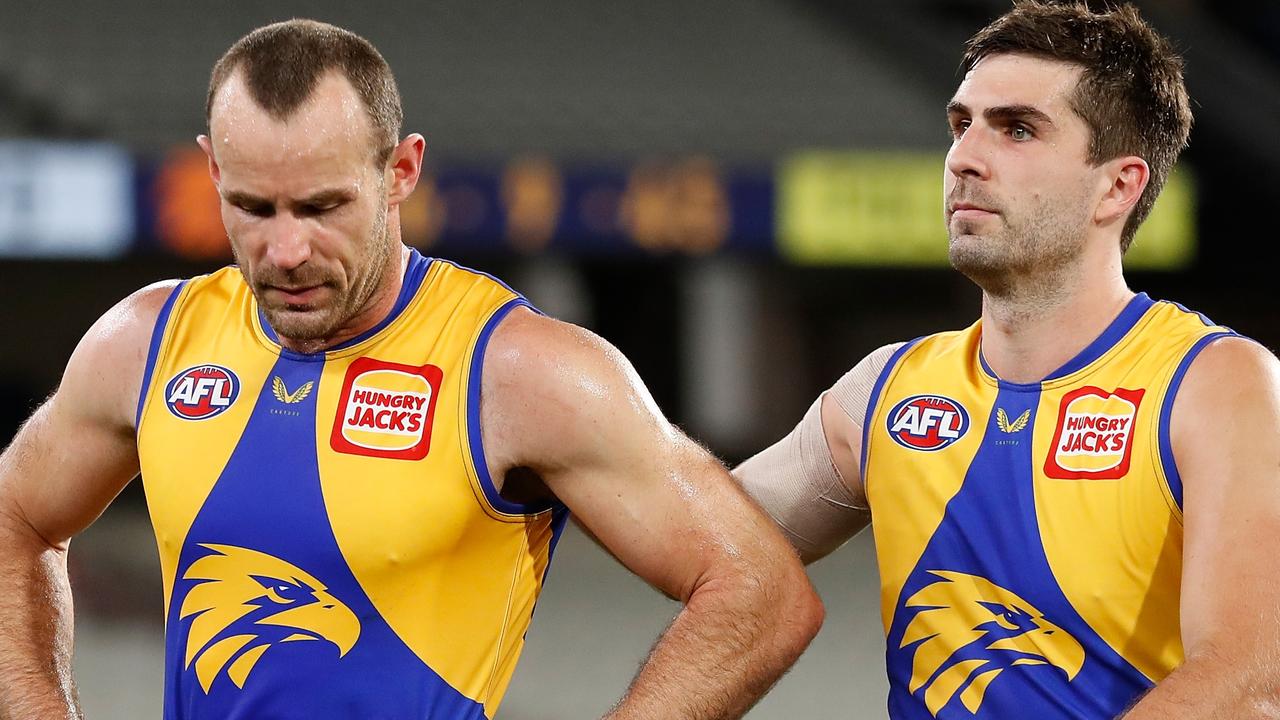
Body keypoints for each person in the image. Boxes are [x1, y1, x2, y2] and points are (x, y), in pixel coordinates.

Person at [0, 20, 822, 720]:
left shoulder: (520, 370)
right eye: (252, 207)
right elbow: (14, 519)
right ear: (212, 171)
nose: (285, 252)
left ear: (401, 172)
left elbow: (761, 594)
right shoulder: (147, 342)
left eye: (322, 207)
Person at [735, 2, 1280, 718]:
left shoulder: (1217, 385)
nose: (963, 157)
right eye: (962, 125)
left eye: (1016, 129)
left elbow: (1248, 679)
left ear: (1118, 186)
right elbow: (697, 538)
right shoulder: (886, 391)